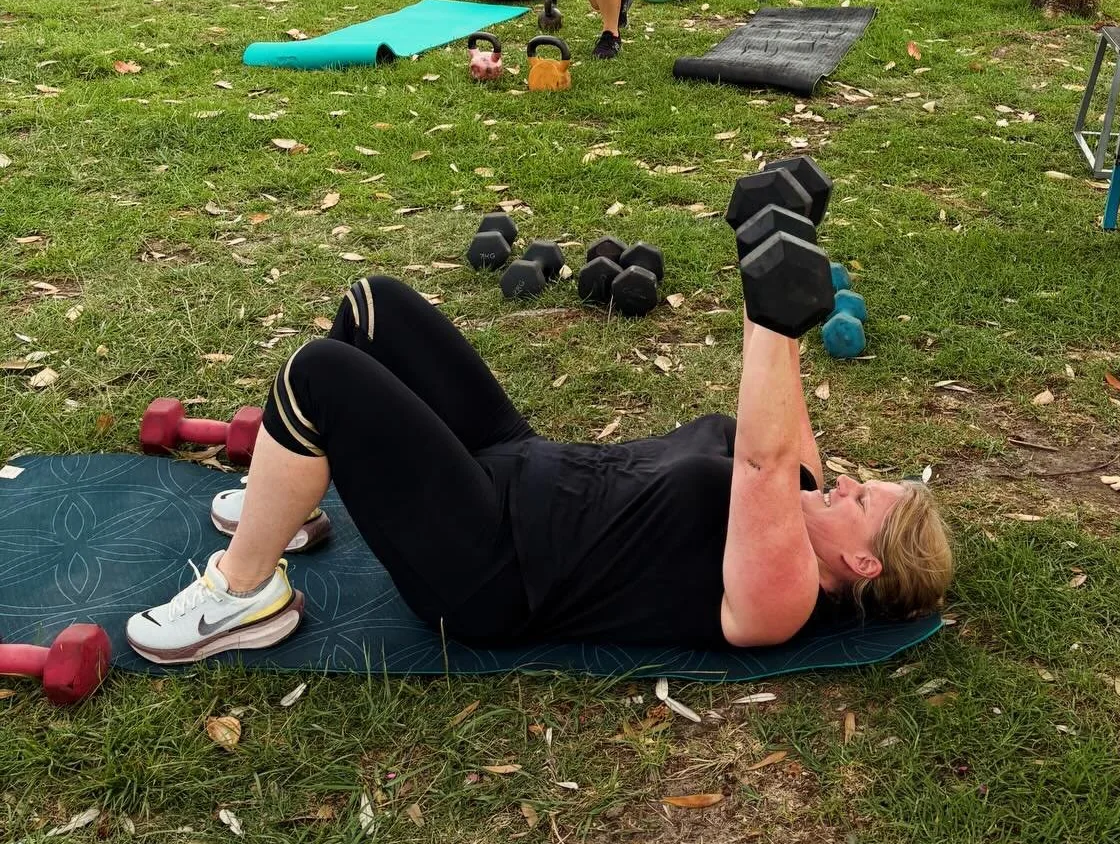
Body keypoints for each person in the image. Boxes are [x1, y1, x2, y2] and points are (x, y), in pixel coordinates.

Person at [125, 274, 953, 663]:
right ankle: (289, 505)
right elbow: (782, 423)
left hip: (494, 568)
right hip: (516, 462)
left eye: (862, 499)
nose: (845, 482)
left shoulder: (786, 594)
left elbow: (765, 461)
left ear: (863, 562)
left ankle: (244, 594)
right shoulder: (802, 498)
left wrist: (767, 305)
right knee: (376, 309)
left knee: (319, 376)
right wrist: (779, 260)